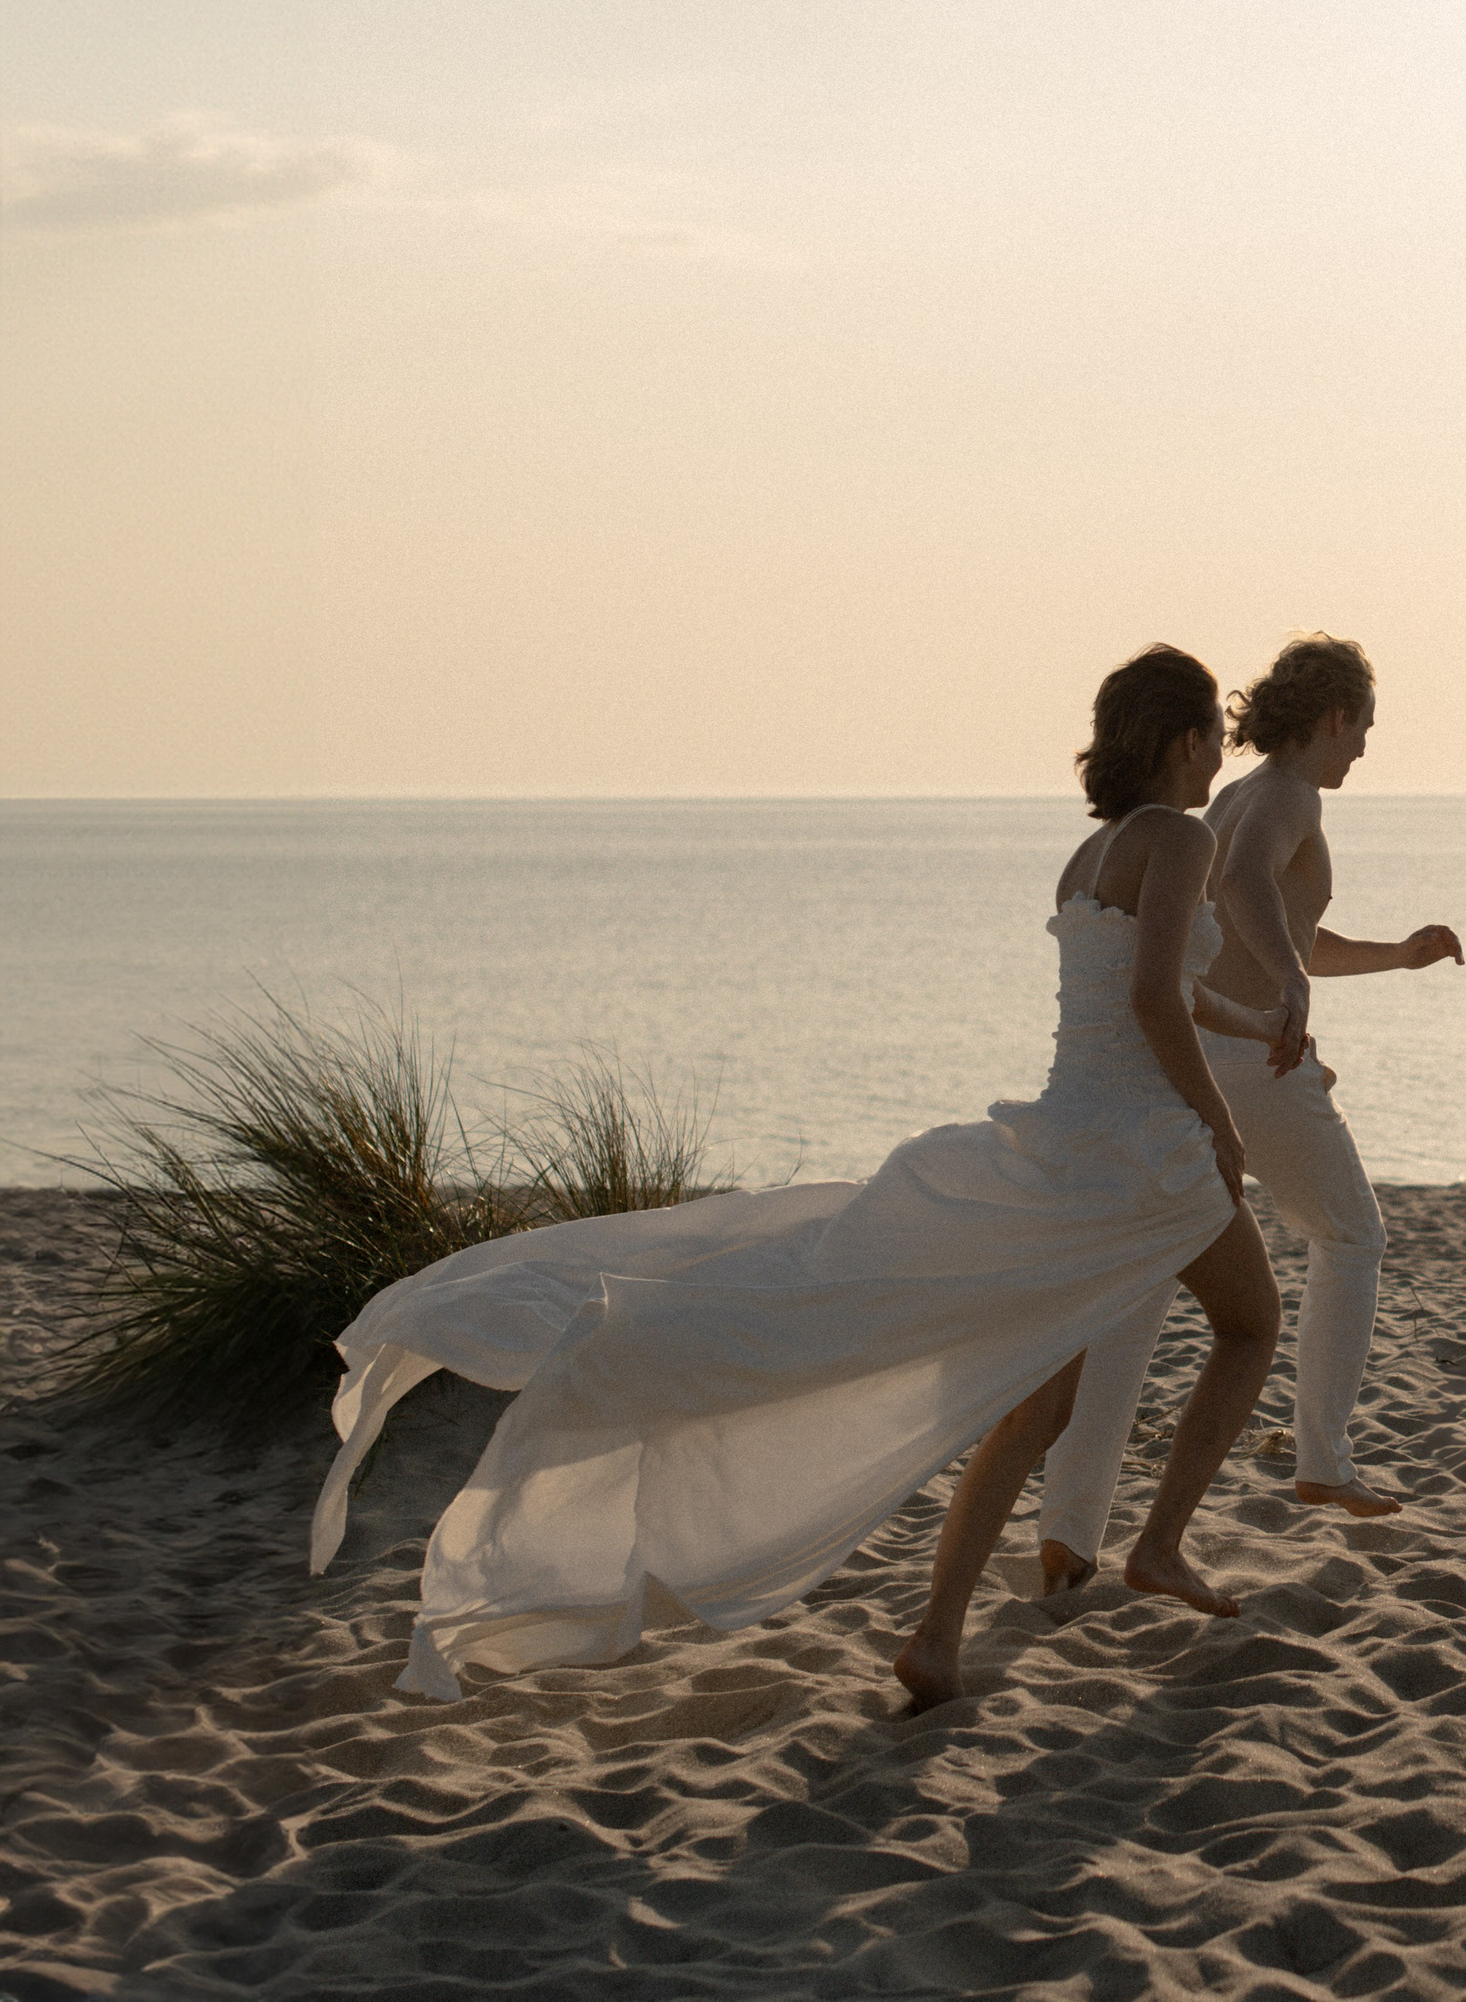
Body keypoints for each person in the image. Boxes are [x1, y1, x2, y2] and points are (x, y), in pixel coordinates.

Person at [309, 646, 1291, 1710]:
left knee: (1036, 1406)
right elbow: (1151, 1000)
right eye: (1215, 744)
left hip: (1060, 1142)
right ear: (1185, 737)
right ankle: (1159, 1543)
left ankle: (937, 1637)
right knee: (1252, 1323)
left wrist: (1252, 1018)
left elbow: (1156, 990)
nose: (1217, 768)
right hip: (1143, 1151)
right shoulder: (1183, 836)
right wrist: (1221, 1119)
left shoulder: (1089, 854)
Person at [1035, 633, 1463, 1590]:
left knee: (1137, 1292)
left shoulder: (1233, 798)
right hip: (1248, 1061)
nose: (1363, 750)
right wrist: (1292, 993)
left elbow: (1280, 924)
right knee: (1350, 1234)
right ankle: (1323, 1459)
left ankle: (1069, 1533)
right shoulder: (1288, 793)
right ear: (1333, 716)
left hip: (1195, 1053)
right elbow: (1245, 895)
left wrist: (1395, 954)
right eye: (1363, 730)